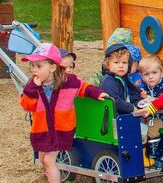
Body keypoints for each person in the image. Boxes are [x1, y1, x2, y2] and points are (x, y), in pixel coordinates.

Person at [19, 43, 108, 183]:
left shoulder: (68, 81)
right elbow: (27, 106)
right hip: (42, 130)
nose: (34, 70)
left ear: (52, 67)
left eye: (39, 66)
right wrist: (31, 90)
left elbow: (83, 87)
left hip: (61, 130)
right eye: (33, 66)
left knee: (49, 161)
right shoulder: (33, 86)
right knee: (42, 159)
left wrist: (97, 93)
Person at [100, 43, 136, 115]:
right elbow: (115, 101)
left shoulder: (122, 78)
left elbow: (132, 91)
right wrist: (132, 108)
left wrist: (140, 96)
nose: (121, 66)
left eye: (124, 62)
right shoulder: (109, 81)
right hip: (113, 116)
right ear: (107, 65)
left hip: (122, 113)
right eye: (116, 62)